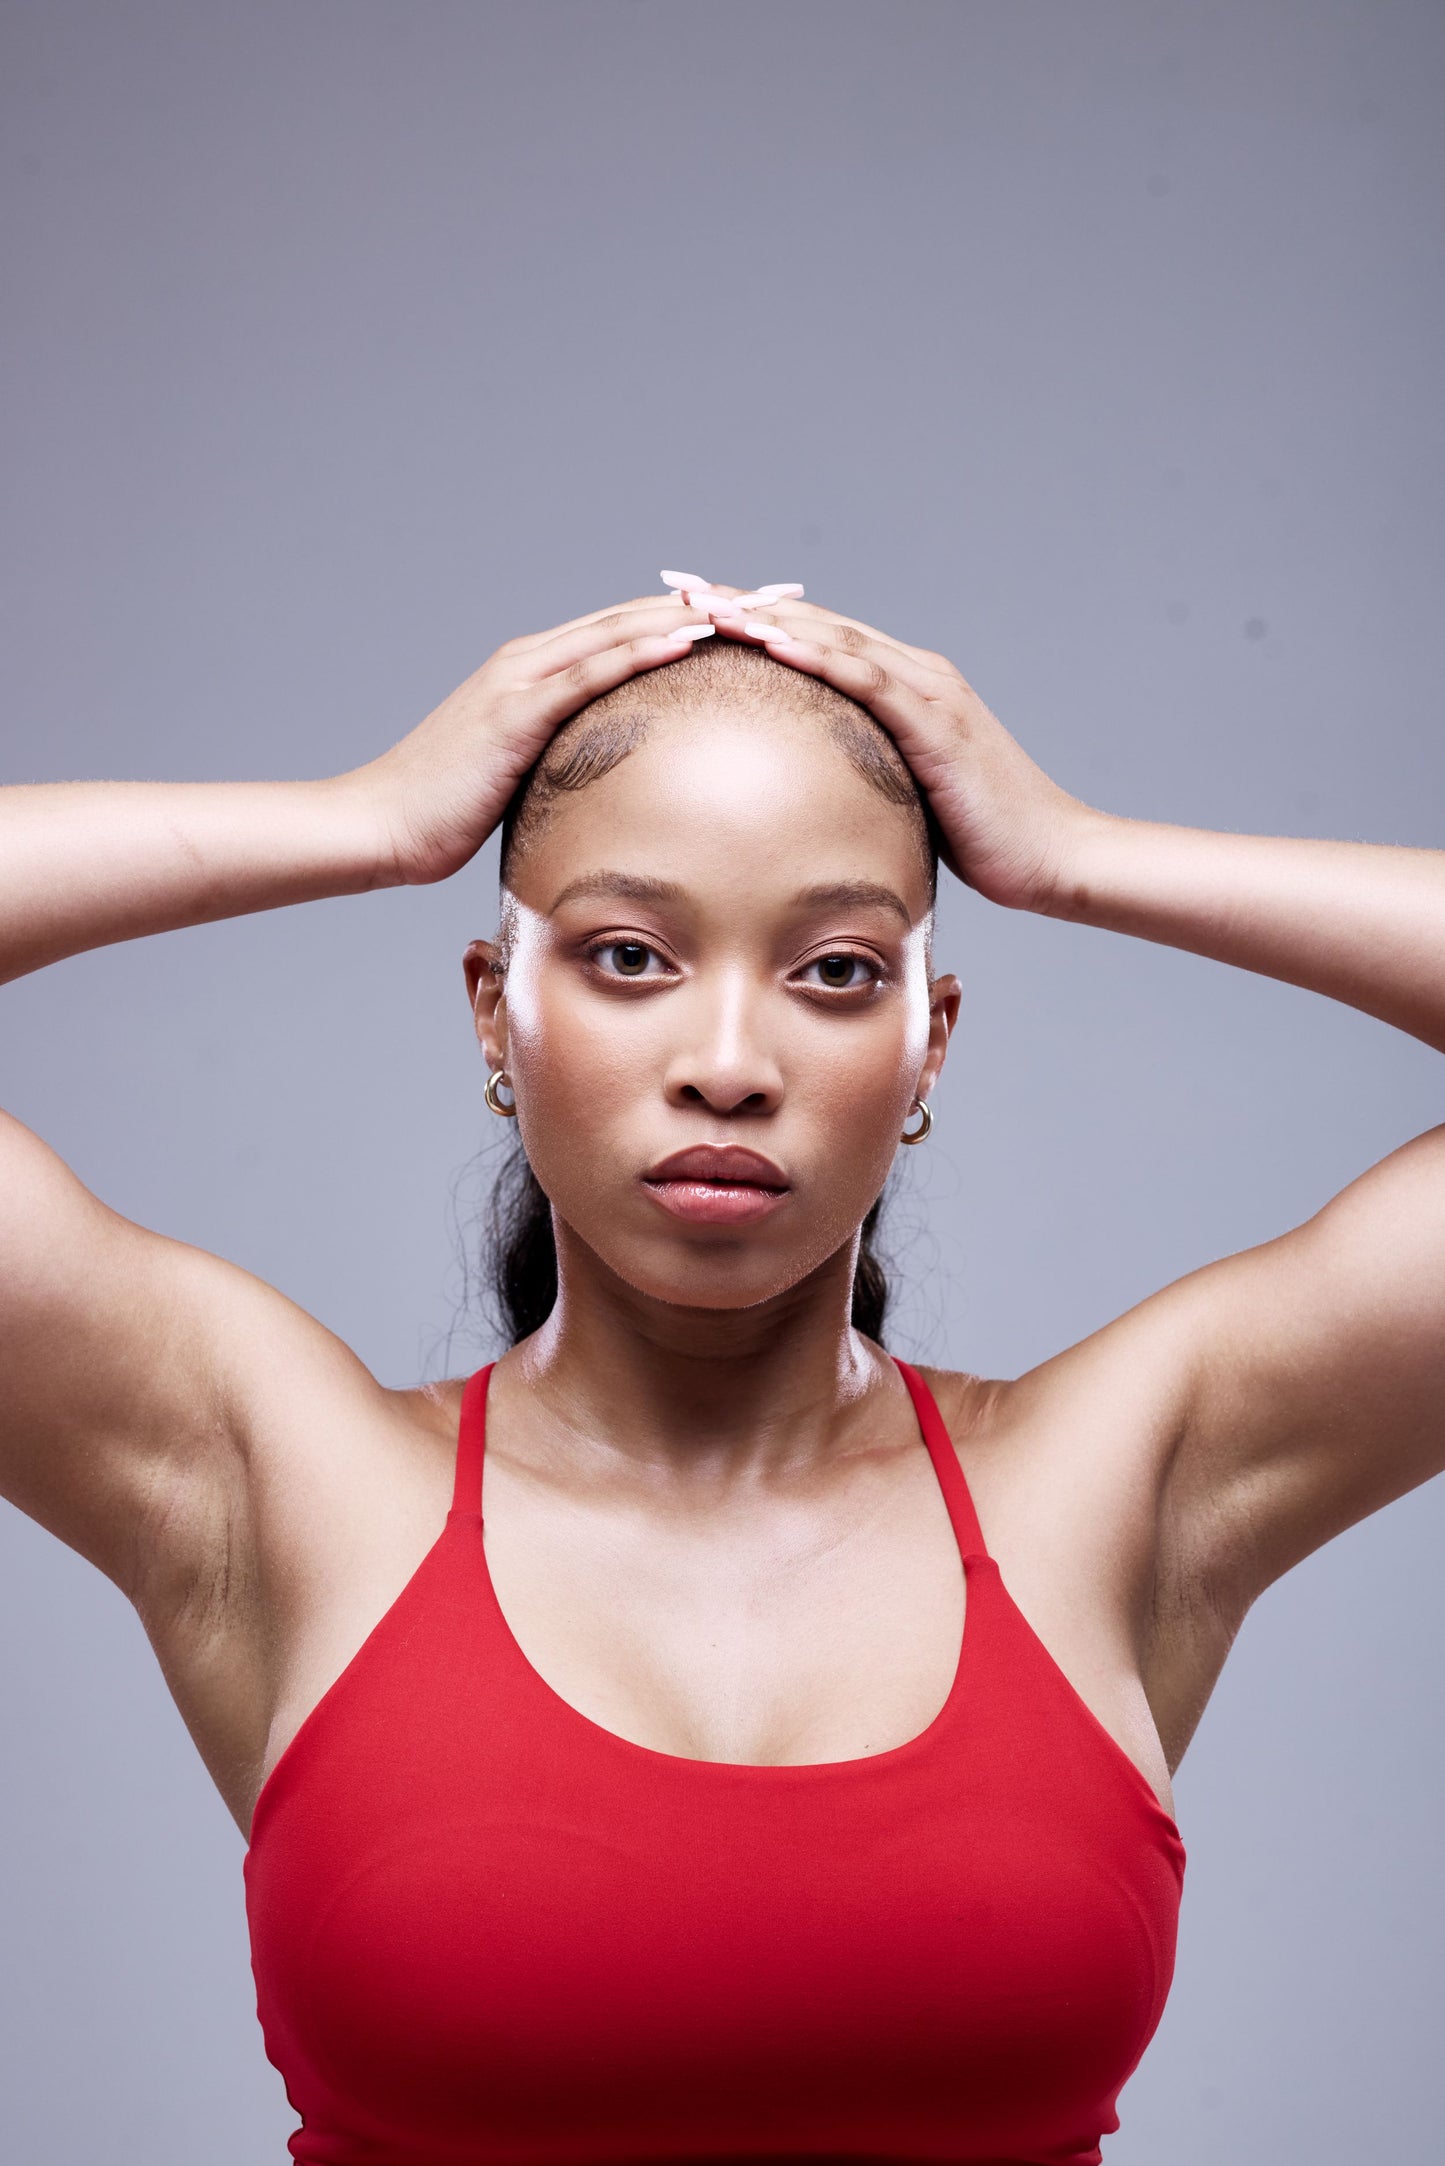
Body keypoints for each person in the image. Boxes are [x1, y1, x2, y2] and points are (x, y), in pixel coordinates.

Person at [1, 574, 1441, 2164]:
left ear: (928, 1046)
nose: (730, 1063)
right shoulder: (276, 1476)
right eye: (627, 953)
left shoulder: (1109, 1480)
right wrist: (373, 821)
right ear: (496, 1010)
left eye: (835, 969)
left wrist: (1074, 856)